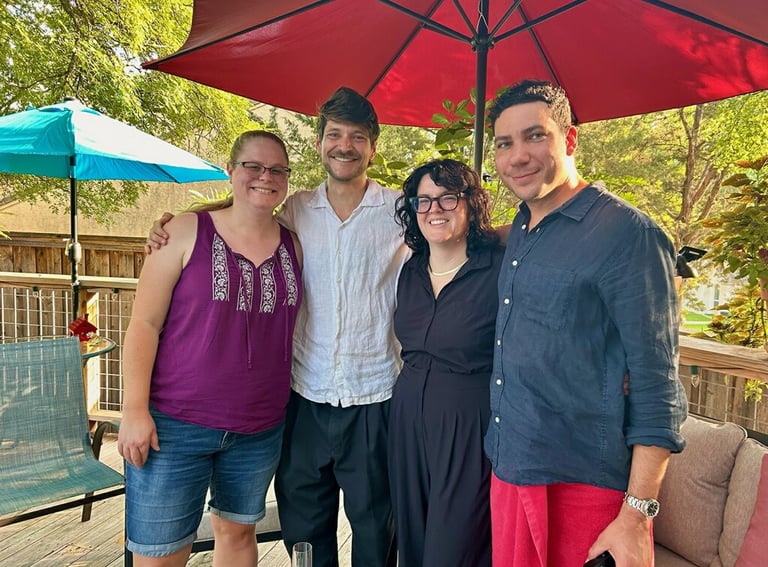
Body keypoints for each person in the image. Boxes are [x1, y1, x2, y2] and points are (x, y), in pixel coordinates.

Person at [146, 87, 406, 567]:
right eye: (334, 134)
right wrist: (179, 220)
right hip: (303, 398)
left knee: (375, 526)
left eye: (357, 137)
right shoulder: (296, 210)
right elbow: (240, 213)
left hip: (375, 397)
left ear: (373, 146)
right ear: (318, 142)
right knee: (304, 526)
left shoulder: (401, 212)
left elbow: (458, 230)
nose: (344, 145)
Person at [484, 79, 688, 567]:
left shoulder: (629, 235)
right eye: (504, 143)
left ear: (569, 139)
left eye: (535, 136)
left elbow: (658, 387)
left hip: (582, 485)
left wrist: (636, 515)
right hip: (509, 465)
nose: (517, 156)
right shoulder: (521, 230)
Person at [118, 130, 303, 567]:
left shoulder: (295, 243)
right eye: (253, 166)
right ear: (231, 171)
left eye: (277, 169)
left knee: (238, 534)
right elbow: (143, 323)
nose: (265, 176)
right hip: (174, 424)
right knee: (161, 553)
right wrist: (133, 409)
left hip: (259, 426)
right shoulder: (182, 232)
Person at [389, 159, 503, 566]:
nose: (435, 209)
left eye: (448, 198)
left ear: (470, 204)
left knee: (453, 547)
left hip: (468, 422)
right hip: (405, 421)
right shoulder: (411, 270)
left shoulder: (499, 267)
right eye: (424, 201)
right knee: (413, 542)